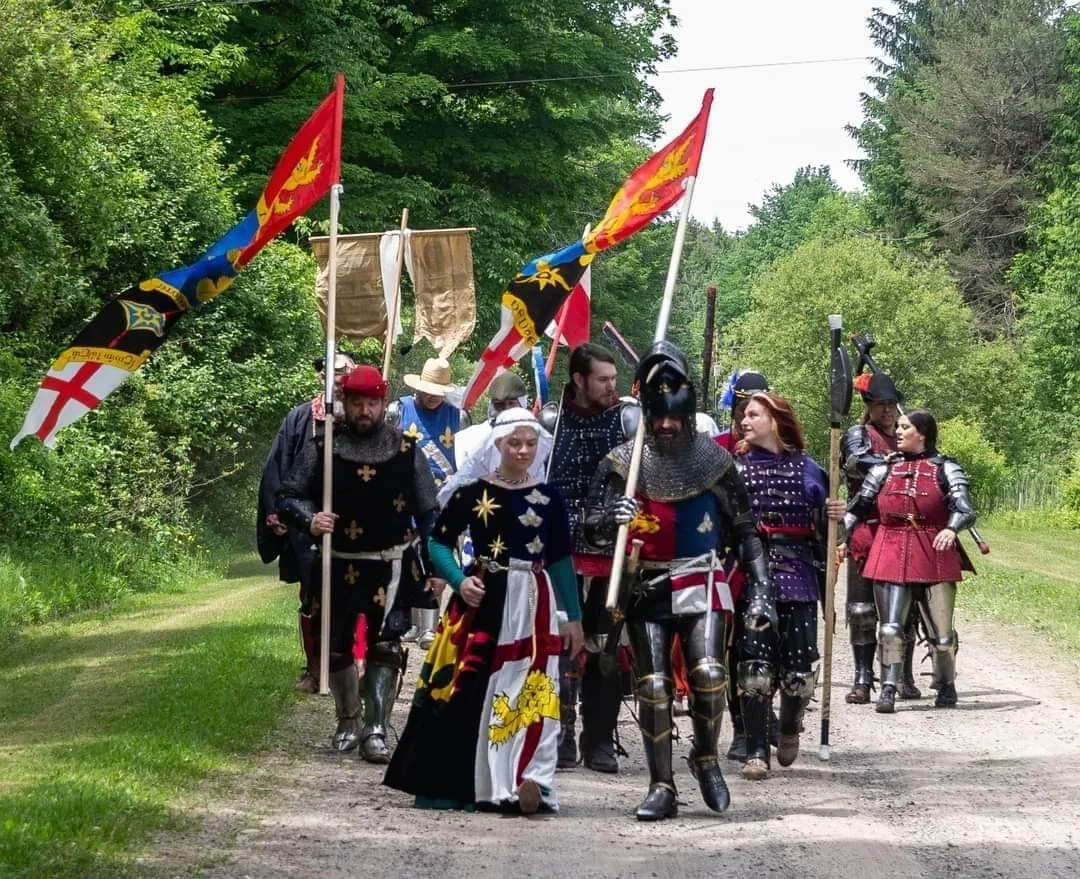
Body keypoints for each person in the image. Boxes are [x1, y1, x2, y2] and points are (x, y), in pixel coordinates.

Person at [586, 341, 776, 821]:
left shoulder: (714, 463)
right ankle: (661, 785)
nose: (667, 425)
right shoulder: (622, 463)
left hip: (701, 579)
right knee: (652, 687)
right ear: (646, 413)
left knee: (710, 673)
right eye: (659, 416)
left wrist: (761, 590)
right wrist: (612, 516)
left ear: (688, 415)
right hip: (645, 584)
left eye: (675, 417)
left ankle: (706, 756)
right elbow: (588, 525)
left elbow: (747, 531)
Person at [384, 409, 583, 814]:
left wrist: (574, 616)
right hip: (483, 599)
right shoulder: (472, 493)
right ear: (498, 445)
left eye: (530, 443)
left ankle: (530, 781)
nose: (522, 450)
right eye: (515, 443)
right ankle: (474, 782)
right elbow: (438, 543)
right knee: (475, 683)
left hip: (535, 601)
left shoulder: (549, 499)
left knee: (535, 686)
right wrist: (459, 581)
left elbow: (561, 560)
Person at [277, 365, 440, 761]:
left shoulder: (406, 450)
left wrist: (436, 568)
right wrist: (311, 518)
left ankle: (377, 727)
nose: (365, 411)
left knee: (386, 645)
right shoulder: (322, 448)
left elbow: (430, 513)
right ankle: (347, 719)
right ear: (345, 405)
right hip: (338, 561)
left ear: (383, 404)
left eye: (372, 403)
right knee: (336, 646)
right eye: (357, 403)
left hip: (391, 564)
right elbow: (288, 496)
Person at [539, 342, 637, 774]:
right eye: (602, 379)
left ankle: (599, 739)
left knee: (605, 650)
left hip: (610, 551)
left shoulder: (629, 421)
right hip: (559, 551)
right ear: (578, 380)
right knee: (559, 646)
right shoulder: (550, 422)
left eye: (614, 379)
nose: (611, 387)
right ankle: (557, 734)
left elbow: (644, 479)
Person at [841, 409, 976, 713]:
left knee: (941, 635)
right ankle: (889, 687)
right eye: (898, 427)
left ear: (923, 434)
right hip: (890, 547)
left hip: (933, 550)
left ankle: (946, 683)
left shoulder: (947, 468)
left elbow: (965, 508)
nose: (898, 432)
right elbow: (858, 508)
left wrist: (951, 528)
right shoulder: (883, 469)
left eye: (905, 428)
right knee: (889, 628)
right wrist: (840, 533)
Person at [733, 392, 828, 779]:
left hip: (799, 573)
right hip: (753, 574)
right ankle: (756, 751)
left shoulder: (810, 469)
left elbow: (828, 528)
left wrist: (835, 515)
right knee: (754, 668)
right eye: (744, 415)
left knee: (799, 672)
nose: (744, 421)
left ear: (776, 420)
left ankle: (788, 727)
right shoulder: (734, 470)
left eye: (754, 415)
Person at [256, 352, 355, 693]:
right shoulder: (301, 419)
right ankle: (316, 671)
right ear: (321, 377)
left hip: (353, 519)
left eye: (346, 371)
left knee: (357, 594)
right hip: (307, 519)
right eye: (334, 371)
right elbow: (277, 468)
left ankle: (350, 668)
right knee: (312, 594)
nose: (340, 377)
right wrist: (277, 512)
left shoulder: (365, 417)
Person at [841, 372, 921, 704]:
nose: (887, 412)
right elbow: (857, 461)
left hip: (903, 531)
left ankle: (902, 674)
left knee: (907, 609)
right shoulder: (859, 434)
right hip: (867, 527)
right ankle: (863, 678)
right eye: (880, 405)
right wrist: (895, 461)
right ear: (870, 406)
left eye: (891, 405)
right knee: (862, 609)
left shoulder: (908, 437)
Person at [388, 356, 469, 648]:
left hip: (442, 500)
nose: (433, 397)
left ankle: (431, 624)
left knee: (437, 555)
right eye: (429, 390)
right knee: (406, 557)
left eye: (439, 392)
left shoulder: (458, 417)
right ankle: (408, 620)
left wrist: (457, 483)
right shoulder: (398, 411)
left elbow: (465, 460)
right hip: (404, 496)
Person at [443, 371, 533, 505]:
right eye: (500, 404)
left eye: (511, 403)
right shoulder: (468, 438)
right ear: (492, 405)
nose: (506, 410)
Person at [715, 370, 770, 453]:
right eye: (744, 412)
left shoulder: (780, 446)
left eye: (754, 414)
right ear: (735, 411)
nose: (746, 421)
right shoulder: (716, 446)